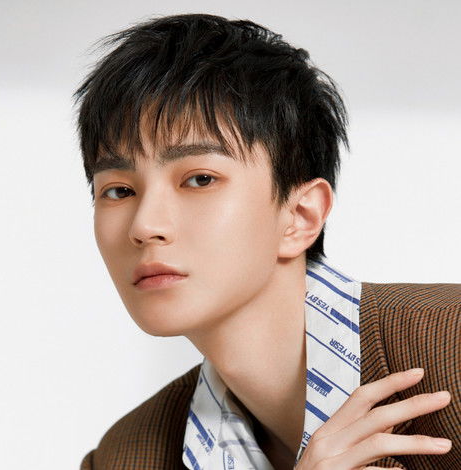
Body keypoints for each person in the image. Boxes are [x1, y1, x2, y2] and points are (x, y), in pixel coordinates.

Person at [73, 13, 460, 470]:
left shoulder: (449, 345)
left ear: (300, 216)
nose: (145, 226)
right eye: (119, 191)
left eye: (200, 179)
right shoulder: (123, 457)